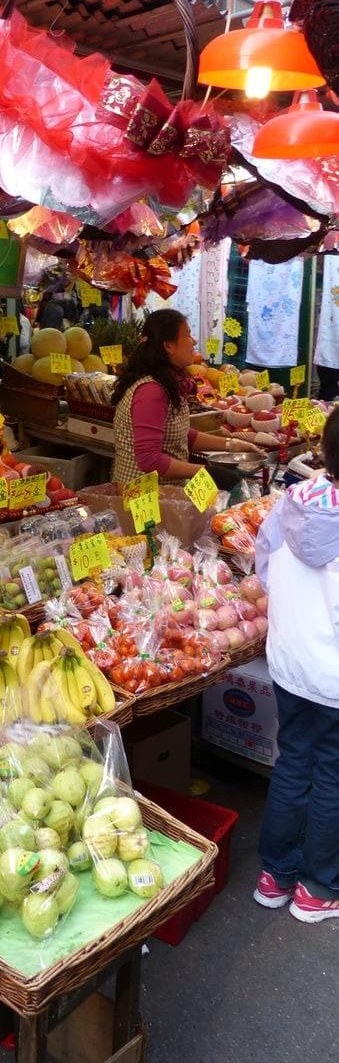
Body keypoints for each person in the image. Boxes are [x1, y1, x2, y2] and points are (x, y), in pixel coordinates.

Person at [253, 406, 339, 922]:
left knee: (293, 762)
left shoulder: (291, 502)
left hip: (289, 662)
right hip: (333, 677)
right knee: (330, 773)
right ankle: (318, 889)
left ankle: (275, 875)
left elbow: (264, 570)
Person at [111, 309, 261, 486]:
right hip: (143, 499)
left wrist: (232, 445)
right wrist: (206, 472)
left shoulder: (166, 381)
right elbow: (149, 460)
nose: (194, 341)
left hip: (166, 494)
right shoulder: (151, 391)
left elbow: (179, 434)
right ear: (169, 346)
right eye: (188, 335)